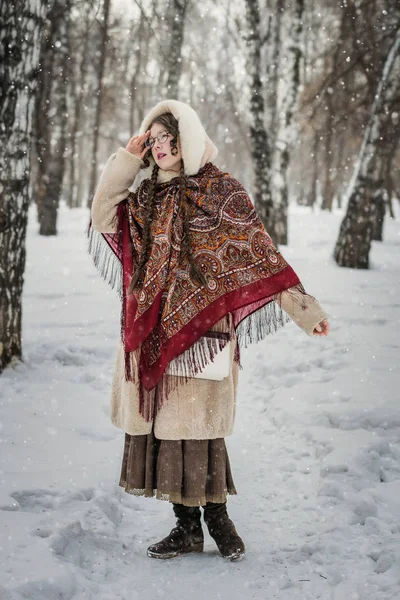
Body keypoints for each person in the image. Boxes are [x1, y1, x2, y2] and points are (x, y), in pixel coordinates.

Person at [89, 99, 330, 562]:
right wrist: (126, 158)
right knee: (167, 429)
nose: (161, 146)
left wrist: (305, 311)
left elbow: (258, 255)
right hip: (156, 327)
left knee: (197, 429)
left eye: (168, 137)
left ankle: (219, 520)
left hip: (204, 330)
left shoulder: (220, 190)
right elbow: (103, 216)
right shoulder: (144, 197)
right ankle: (186, 529)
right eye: (153, 139)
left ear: (188, 138)